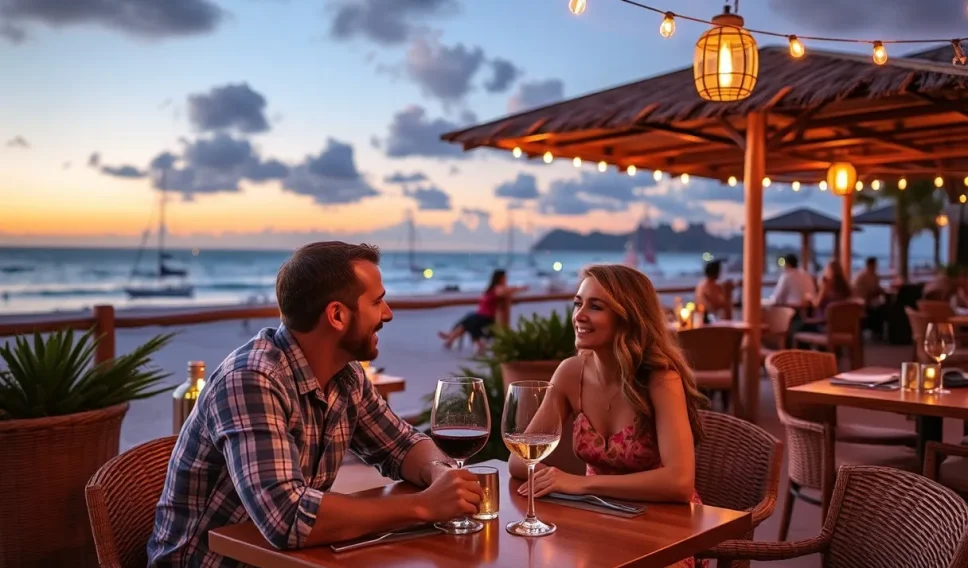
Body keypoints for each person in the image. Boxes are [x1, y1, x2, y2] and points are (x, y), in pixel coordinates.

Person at [147, 242, 483, 567]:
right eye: (377, 302)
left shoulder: (345, 375)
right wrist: (423, 506)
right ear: (337, 315)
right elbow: (288, 517)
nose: (388, 313)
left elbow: (401, 445)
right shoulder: (252, 380)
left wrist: (439, 474)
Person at [509, 264, 708, 568]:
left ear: (627, 316)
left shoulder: (659, 379)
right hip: (598, 518)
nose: (579, 315)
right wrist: (558, 479)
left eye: (596, 306)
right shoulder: (570, 373)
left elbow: (679, 482)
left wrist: (580, 484)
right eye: (578, 303)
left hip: (665, 528)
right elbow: (520, 460)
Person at [437, 269, 527, 353]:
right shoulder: (493, 289)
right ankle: (454, 338)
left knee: (470, 320)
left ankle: (452, 336)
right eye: (505, 277)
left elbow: (507, 290)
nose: (506, 279)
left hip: (488, 317)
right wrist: (519, 288)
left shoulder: (499, 289)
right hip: (482, 316)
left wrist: (520, 288)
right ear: (500, 278)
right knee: (469, 319)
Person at [852, 257, 888, 338]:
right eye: (874, 265)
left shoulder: (873, 275)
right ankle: (877, 331)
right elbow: (866, 292)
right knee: (881, 309)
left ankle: (877, 331)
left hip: (869, 299)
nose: (876, 266)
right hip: (864, 300)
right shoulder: (864, 276)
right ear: (870, 265)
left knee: (882, 307)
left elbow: (876, 288)